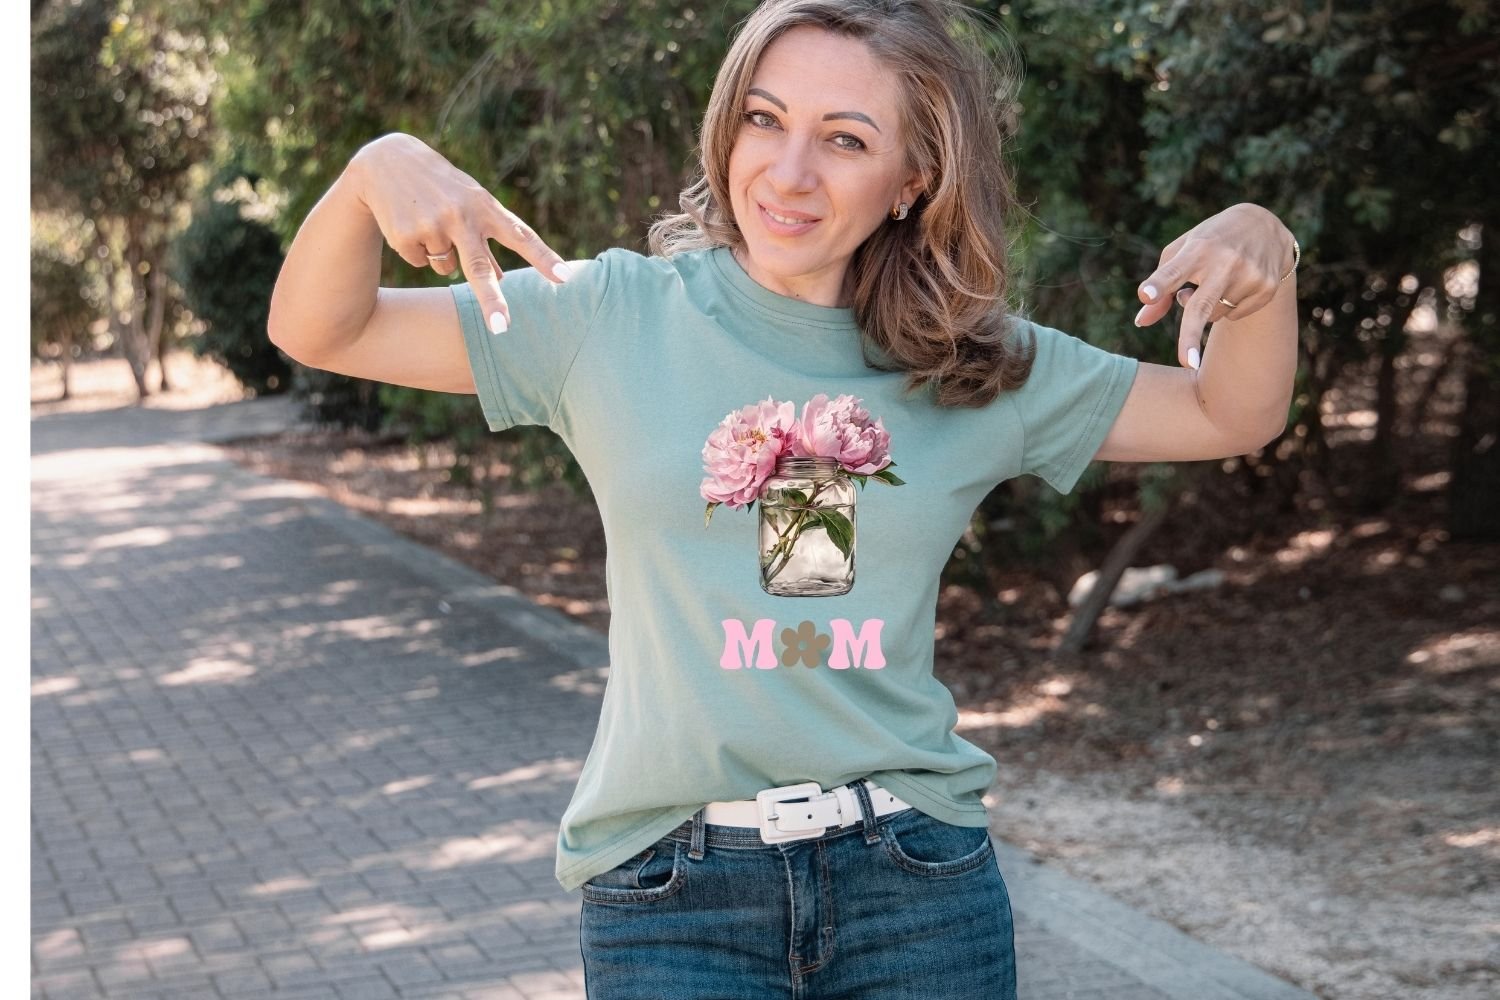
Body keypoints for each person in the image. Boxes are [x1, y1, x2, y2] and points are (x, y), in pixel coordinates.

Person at [268, 1, 1299, 996]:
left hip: (915, 890)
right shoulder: (607, 317)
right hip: (670, 898)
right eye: (765, 119)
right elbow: (322, 329)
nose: (790, 171)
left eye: (846, 140)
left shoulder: (972, 365)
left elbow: (1230, 412)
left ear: (913, 178)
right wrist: (372, 172)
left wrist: (1267, 248)